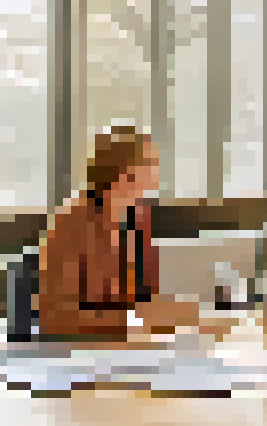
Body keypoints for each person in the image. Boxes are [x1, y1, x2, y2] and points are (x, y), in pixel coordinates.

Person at [38, 127, 197, 339]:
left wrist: (179, 314)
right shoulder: (71, 223)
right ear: (123, 171)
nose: (155, 173)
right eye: (149, 163)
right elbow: (55, 318)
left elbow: (144, 301)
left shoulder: (138, 219)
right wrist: (132, 323)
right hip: (79, 352)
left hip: (125, 347)